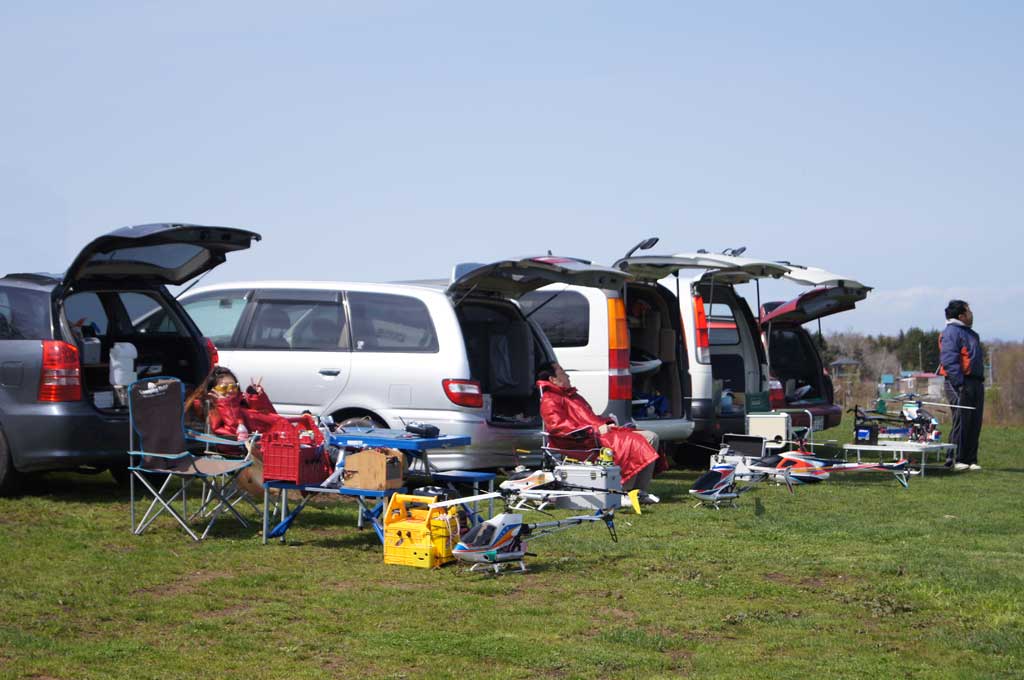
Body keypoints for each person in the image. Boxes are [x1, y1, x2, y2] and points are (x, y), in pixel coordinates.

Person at [536, 361, 660, 503]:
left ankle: (639, 491)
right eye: (563, 373)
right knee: (635, 442)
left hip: (598, 436)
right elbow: (557, 427)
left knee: (651, 437)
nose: (567, 376)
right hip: (582, 441)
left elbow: (590, 418)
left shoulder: (572, 396)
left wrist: (606, 422)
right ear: (553, 379)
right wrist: (594, 429)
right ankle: (624, 491)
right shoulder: (550, 399)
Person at [938, 300, 984, 471]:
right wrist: (959, 383)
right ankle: (955, 458)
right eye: (969, 311)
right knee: (962, 419)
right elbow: (949, 359)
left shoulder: (972, 334)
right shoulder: (951, 332)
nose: (972, 314)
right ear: (961, 316)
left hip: (976, 382)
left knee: (974, 421)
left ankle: (970, 459)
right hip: (958, 382)